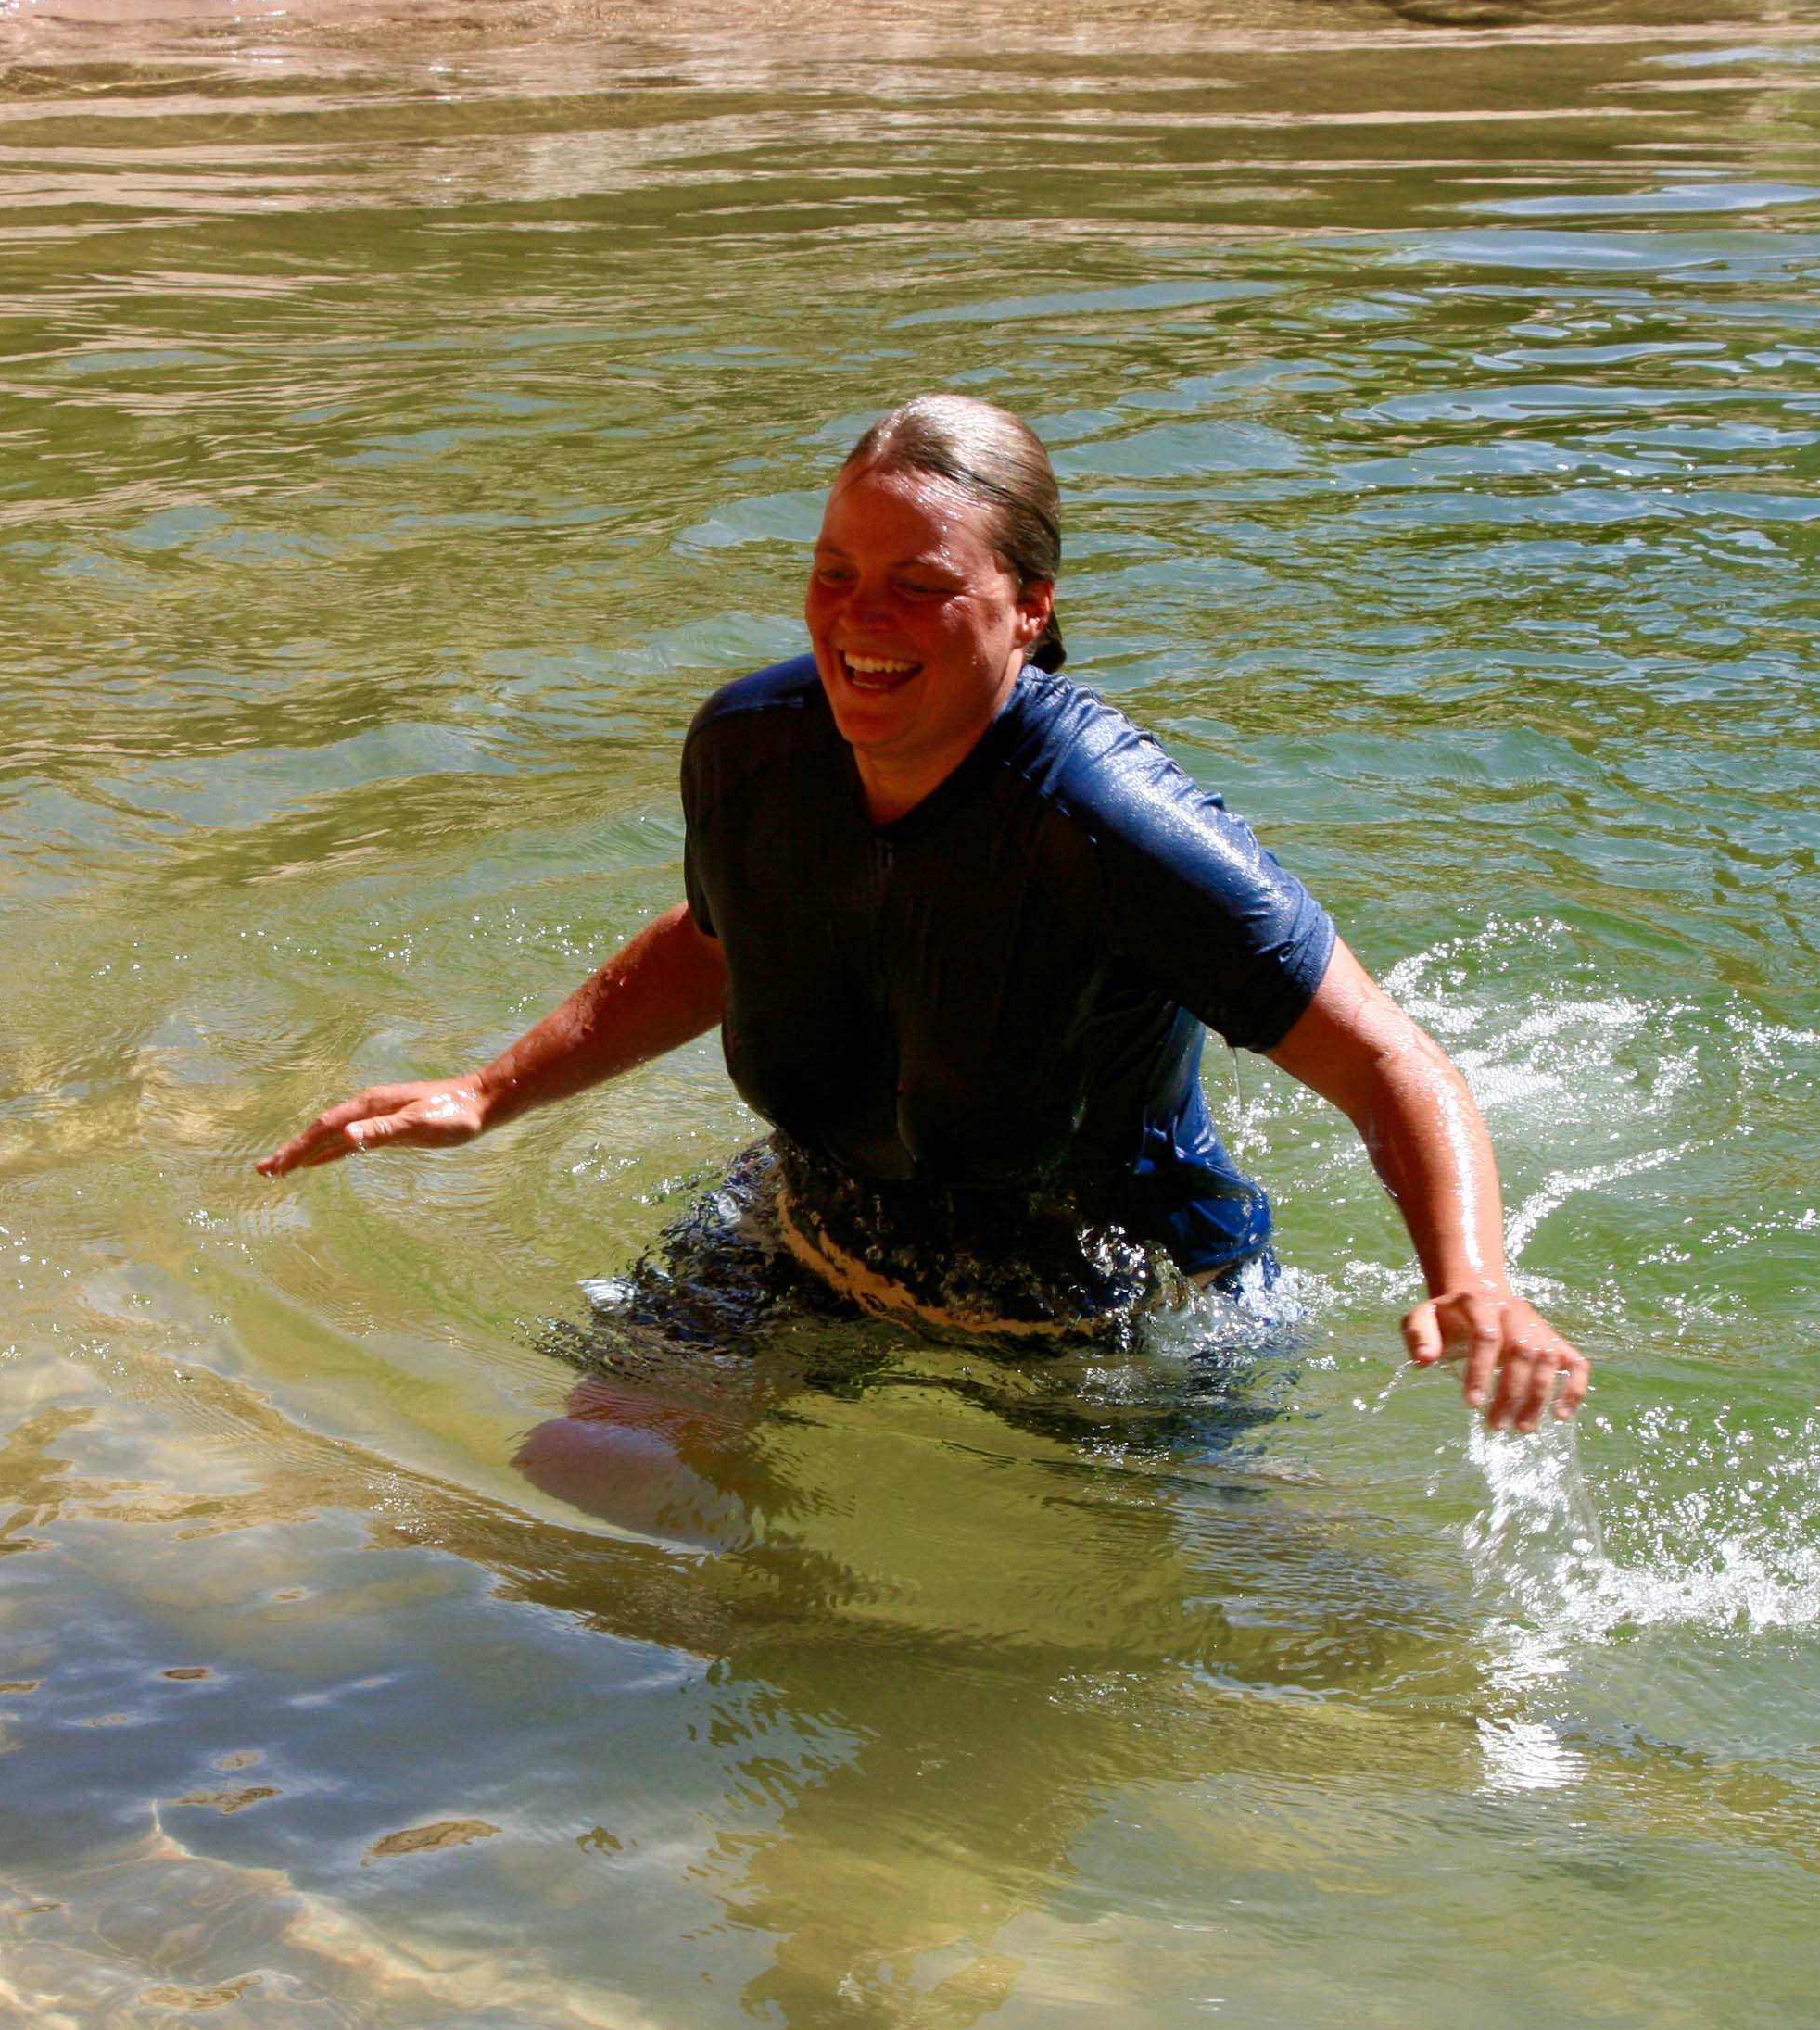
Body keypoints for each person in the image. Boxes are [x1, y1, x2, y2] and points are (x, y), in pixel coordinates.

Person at [259, 394, 1590, 1438]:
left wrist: (1471, 1278)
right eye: (835, 572)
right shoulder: (751, 750)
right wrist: (488, 1094)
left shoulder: (1119, 830)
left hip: (1106, 1318)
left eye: (921, 584)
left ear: (1030, 609)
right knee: (588, 1477)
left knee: (1075, 1652)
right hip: (808, 1239)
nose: (861, 620)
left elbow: (1391, 1062)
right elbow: (719, 943)